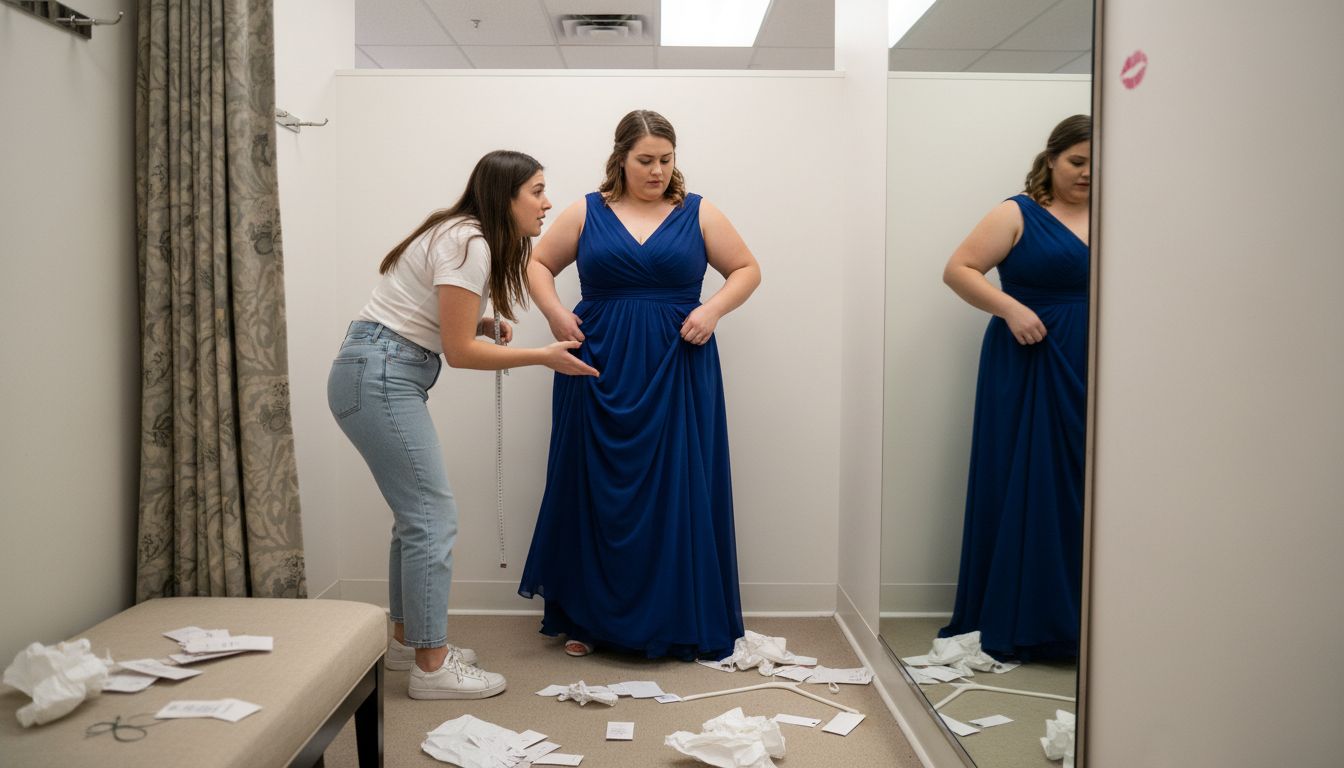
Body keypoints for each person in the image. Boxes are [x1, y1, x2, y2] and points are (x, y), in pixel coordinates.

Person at [327, 150, 599, 699]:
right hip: (383, 377)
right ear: (506, 196)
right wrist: (541, 355)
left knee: (415, 518)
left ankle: (408, 642)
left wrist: (477, 320)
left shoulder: (456, 231)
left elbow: (423, 312)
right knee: (432, 517)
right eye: (538, 192)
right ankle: (432, 668)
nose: (548, 204)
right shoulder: (472, 242)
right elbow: (459, 354)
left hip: (372, 368)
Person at [518, 109, 761, 660]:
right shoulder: (586, 210)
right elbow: (538, 265)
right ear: (621, 159)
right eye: (644, 160)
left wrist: (714, 310)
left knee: (674, 488)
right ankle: (586, 617)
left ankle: (676, 616)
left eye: (665, 160)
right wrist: (556, 314)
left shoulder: (698, 212)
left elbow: (746, 268)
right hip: (597, 361)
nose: (656, 171)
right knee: (596, 487)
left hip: (678, 363)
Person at [939, 115, 1092, 661]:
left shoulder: (1122, 214)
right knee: (1028, 480)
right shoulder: (1017, 213)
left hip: (1099, 364)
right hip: (1029, 358)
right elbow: (960, 269)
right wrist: (1009, 308)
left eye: (1099, 165)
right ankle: (1027, 618)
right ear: (1051, 158)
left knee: (1091, 489)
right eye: (1078, 161)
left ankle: (1085, 621)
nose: (1088, 174)